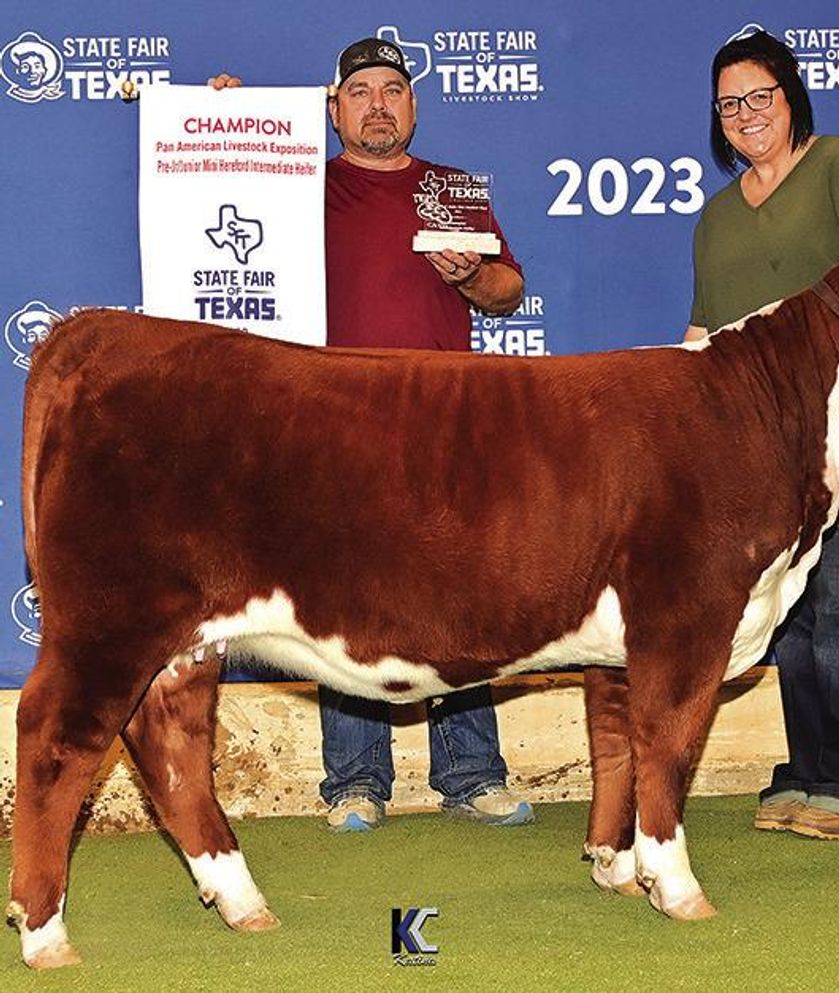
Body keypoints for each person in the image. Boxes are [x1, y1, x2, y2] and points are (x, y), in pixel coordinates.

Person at [211, 36, 533, 831]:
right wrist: (223, 116)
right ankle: (354, 780)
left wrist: (471, 274)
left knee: (460, 595)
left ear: (414, 105)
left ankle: (472, 772)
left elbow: (508, 290)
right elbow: (218, 189)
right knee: (341, 602)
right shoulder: (295, 190)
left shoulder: (451, 189)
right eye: (361, 91)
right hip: (334, 429)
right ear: (334, 109)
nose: (379, 103)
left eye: (393, 89)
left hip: (444, 427)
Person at [684, 29, 839, 840]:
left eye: (760, 96)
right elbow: (704, 330)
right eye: (730, 104)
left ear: (790, 96)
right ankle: (811, 766)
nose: (746, 114)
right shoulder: (718, 215)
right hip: (759, 458)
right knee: (787, 617)